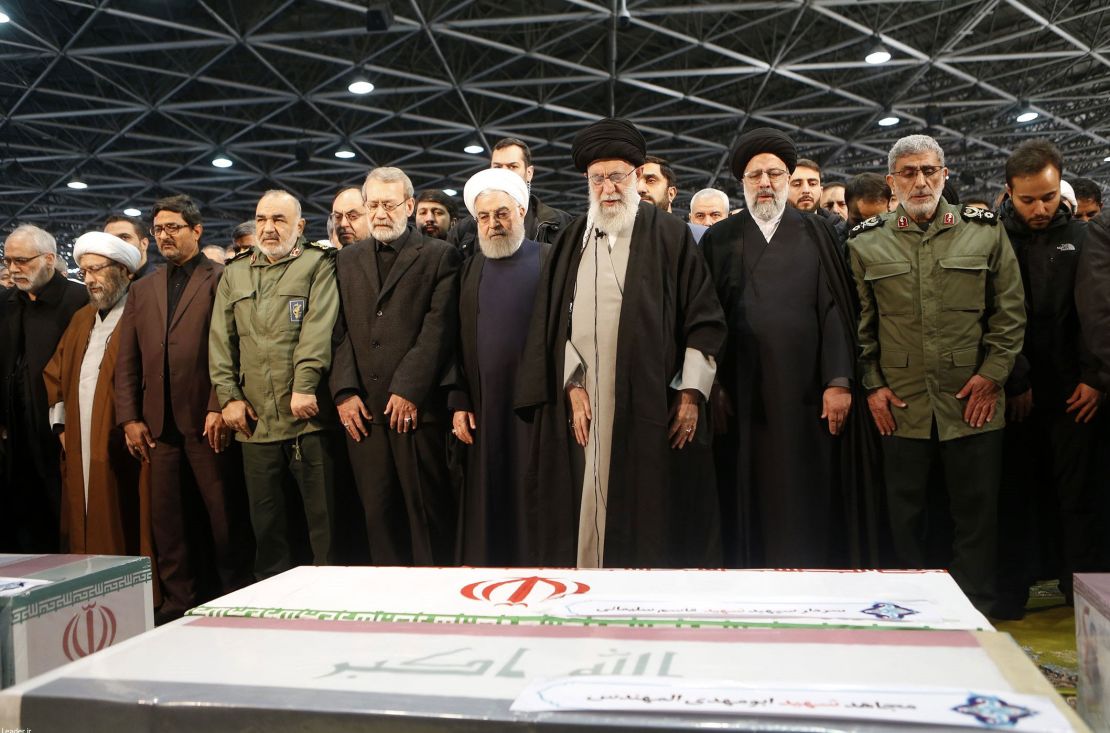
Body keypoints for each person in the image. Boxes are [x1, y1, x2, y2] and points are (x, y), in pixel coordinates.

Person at [521, 117, 727, 569]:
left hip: (655, 400)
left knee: (651, 509)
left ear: (635, 177)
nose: (608, 187)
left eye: (618, 176)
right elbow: (553, 325)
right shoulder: (573, 237)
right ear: (587, 181)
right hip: (588, 402)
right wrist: (572, 388)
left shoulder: (669, 234)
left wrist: (691, 394)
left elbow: (705, 318)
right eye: (599, 178)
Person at [848, 134, 1026, 614]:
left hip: (972, 401)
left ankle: (976, 611)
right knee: (905, 518)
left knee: (976, 515)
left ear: (945, 174)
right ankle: (914, 609)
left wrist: (992, 376)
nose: (920, 181)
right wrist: (874, 386)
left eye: (929, 170)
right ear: (892, 182)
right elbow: (862, 327)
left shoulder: (985, 231)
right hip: (901, 405)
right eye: (908, 172)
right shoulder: (866, 242)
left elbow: (1008, 314)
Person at [701, 128, 875, 568]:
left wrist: (838, 381)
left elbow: (835, 309)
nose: (765, 182)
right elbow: (704, 317)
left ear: (787, 177)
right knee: (745, 487)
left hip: (807, 395)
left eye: (775, 173)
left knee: (804, 489)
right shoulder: (720, 239)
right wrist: (712, 386)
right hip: (741, 394)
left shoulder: (817, 233)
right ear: (741, 181)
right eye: (756, 174)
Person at [115, 194, 251, 622]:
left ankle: (232, 598)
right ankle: (177, 606)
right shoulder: (143, 289)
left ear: (197, 230)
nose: (164, 236)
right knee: (168, 526)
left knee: (223, 521)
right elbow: (127, 359)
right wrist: (129, 417)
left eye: (173, 227)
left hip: (207, 420)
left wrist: (219, 403)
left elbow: (234, 345)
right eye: (158, 229)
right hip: (159, 426)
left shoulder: (222, 278)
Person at [330, 167, 460, 565]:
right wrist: (345, 392)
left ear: (409, 205)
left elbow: (438, 330)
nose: (381, 213)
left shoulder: (441, 256)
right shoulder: (346, 260)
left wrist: (408, 389)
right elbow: (339, 333)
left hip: (417, 413)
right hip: (364, 416)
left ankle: (436, 605)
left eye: (389, 204)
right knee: (378, 519)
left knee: (427, 518)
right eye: (373, 205)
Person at [210, 190, 340, 580]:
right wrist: (228, 398)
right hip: (256, 424)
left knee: (324, 529)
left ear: (299, 226)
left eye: (279, 220)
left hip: (308, 419)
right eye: (262, 218)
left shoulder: (319, 265)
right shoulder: (234, 273)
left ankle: (329, 603)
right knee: (267, 533)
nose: (268, 228)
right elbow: (220, 342)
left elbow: (318, 329)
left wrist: (304, 384)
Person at [995, 140, 1100, 617]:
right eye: (1029, 199)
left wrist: (1095, 378)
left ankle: (1081, 595)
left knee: (1078, 499)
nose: (1041, 208)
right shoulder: (993, 240)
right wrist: (1014, 380)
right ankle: (1012, 592)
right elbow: (990, 316)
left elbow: (1096, 316)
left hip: (1074, 393)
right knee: (1014, 495)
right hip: (1012, 393)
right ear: (1008, 193)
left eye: (1050, 196)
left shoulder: (1084, 239)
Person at [450, 168, 555, 565]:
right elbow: (455, 342)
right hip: (484, 408)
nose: (493, 224)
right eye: (484, 217)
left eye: (502, 214)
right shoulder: (470, 269)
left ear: (522, 212)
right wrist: (459, 400)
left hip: (537, 407)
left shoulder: (550, 260)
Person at [43, 232, 157, 589]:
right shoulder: (81, 319)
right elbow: (55, 374)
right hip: (80, 439)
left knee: (126, 511)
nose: (89, 279)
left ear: (123, 270)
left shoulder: (143, 313)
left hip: (129, 436)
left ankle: (131, 589)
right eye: (84, 271)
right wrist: (61, 428)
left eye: (96, 270)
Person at [0, 225, 87, 552]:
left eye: (22, 260)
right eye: (9, 261)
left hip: (58, 432)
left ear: (49, 259)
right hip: (15, 434)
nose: (13, 269)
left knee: (60, 512)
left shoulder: (79, 300)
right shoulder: (6, 302)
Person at [449, 137, 572, 258]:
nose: (504, 173)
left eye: (512, 166)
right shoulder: (464, 229)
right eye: (497, 167)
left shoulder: (560, 222)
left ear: (529, 173)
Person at [105, 215, 159, 279]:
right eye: (110, 239)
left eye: (124, 237)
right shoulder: (105, 282)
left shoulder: (163, 281)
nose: (116, 244)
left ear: (144, 244)